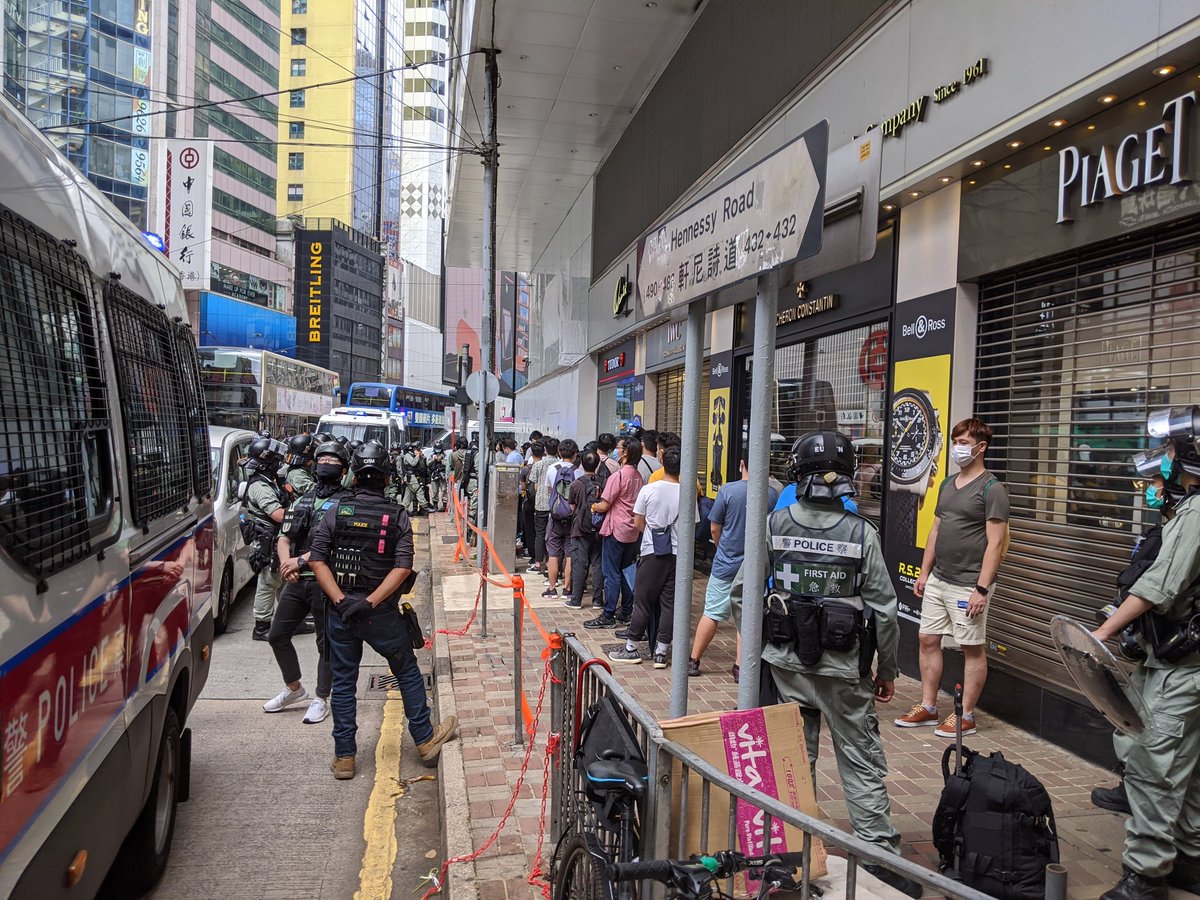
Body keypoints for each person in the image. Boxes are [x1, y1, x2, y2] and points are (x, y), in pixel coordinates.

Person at [758, 430, 919, 898]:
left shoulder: (773, 524)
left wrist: (761, 648)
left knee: (792, 760)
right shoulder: (861, 534)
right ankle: (879, 858)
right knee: (861, 762)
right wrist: (886, 670)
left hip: (787, 667)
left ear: (797, 474)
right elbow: (886, 612)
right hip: (845, 672)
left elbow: (742, 593)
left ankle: (788, 854)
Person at [1093, 410, 1200, 900]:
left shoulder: (1197, 513)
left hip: (1182, 668)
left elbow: (1158, 587)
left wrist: (1103, 632)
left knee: (1155, 760)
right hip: (1184, 661)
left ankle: (1147, 875)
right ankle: (1188, 860)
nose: (1168, 459)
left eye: (1174, 450)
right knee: (1189, 764)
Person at [308, 441, 458, 780]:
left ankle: (345, 757)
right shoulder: (397, 515)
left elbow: (317, 559)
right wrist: (370, 603)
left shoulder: (336, 510)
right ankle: (424, 740)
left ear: (354, 475)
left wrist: (342, 602)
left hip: (340, 613)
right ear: (387, 477)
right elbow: (402, 568)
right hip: (381, 614)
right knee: (405, 669)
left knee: (344, 683)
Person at [896, 418, 1009, 738]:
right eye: (955, 441)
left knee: (971, 647)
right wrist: (924, 571)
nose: (957, 448)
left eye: (963, 442)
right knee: (927, 639)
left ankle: (967, 715)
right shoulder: (947, 484)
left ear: (980, 447)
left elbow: (996, 543)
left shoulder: (992, 488)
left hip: (969, 583)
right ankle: (929, 707)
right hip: (939, 578)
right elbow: (936, 528)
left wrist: (982, 589)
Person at [265, 440, 349, 724]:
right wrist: (286, 563)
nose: (327, 464)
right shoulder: (303, 500)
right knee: (277, 635)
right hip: (297, 581)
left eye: (333, 461)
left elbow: (336, 544)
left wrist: (299, 561)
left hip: (326, 582)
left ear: (344, 470)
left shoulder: (347, 504)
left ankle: (321, 697)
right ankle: (293, 688)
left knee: (326, 643)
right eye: (322, 459)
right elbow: (284, 537)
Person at [688, 458, 778, 678]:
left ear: (741, 464)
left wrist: (721, 548)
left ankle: (693, 660)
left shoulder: (728, 490)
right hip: (755, 566)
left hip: (726, 563)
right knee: (746, 616)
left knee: (712, 612)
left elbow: (714, 527)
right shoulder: (772, 494)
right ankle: (739, 666)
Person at [609, 448, 695, 668]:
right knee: (669, 604)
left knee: (643, 601)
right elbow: (692, 526)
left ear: (662, 462)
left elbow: (638, 522)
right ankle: (661, 652)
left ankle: (631, 648)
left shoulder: (649, 490)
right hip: (678, 556)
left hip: (652, 552)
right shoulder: (688, 492)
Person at [585, 434, 644, 629]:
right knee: (627, 571)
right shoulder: (637, 476)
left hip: (615, 529)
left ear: (625, 452)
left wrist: (594, 507)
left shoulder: (618, 476)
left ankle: (608, 614)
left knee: (611, 573)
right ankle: (626, 611)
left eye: (619, 448)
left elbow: (604, 505)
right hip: (632, 530)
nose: (616, 451)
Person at [243, 437, 290, 642]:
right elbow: (278, 515)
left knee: (281, 580)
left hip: (274, 538)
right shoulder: (260, 486)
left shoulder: (270, 481)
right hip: (267, 539)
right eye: (276, 461)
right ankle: (261, 627)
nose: (280, 464)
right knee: (268, 582)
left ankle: (286, 621)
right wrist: (300, 513)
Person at [565, 450, 604, 610]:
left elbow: (572, 506)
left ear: (582, 464)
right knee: (598, 564)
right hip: (600, 528)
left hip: (580, 529)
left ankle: (576, 600)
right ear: (597, 465)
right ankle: (597, 600)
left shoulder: (576, 484)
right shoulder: (605, 482)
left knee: (580, 564)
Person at [543, 438, 579, 599]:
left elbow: (550, 490)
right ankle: (567, 589)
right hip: (573, 517)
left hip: (556, 517)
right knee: (570, 554)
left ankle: (551, 588)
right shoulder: (579, 471)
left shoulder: (552, 469)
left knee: (553, 554)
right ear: (575, 454)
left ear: (559, 452)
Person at [531, 438, 558, 574]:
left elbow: (535, 485)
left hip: (541, 503)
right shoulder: (559, 465)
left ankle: (537, 563)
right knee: (553, 535)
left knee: (540, 534)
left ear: (545, 450)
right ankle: (550, 563)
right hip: (556, 505)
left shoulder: (538, 465)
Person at [400, 441, 429, 517]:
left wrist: (420, 456)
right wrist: (417, 456)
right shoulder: (407, 455)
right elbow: (413, 463)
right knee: (418, 490)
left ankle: (404, 509)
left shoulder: (412, 455)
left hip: (412, 476)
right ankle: (425, 506)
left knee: (408, 494)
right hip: (410, 476)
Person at [427, 441, 448, 512]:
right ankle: (435, 505)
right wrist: (433, 459)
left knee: (444, 490)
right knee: (435, 491)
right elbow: (428, 463)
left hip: (442, 475)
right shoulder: (431, 456)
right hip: (434, 475)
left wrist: (441, 460)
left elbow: (447, 464)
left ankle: (444, 505)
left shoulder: (445, 456)